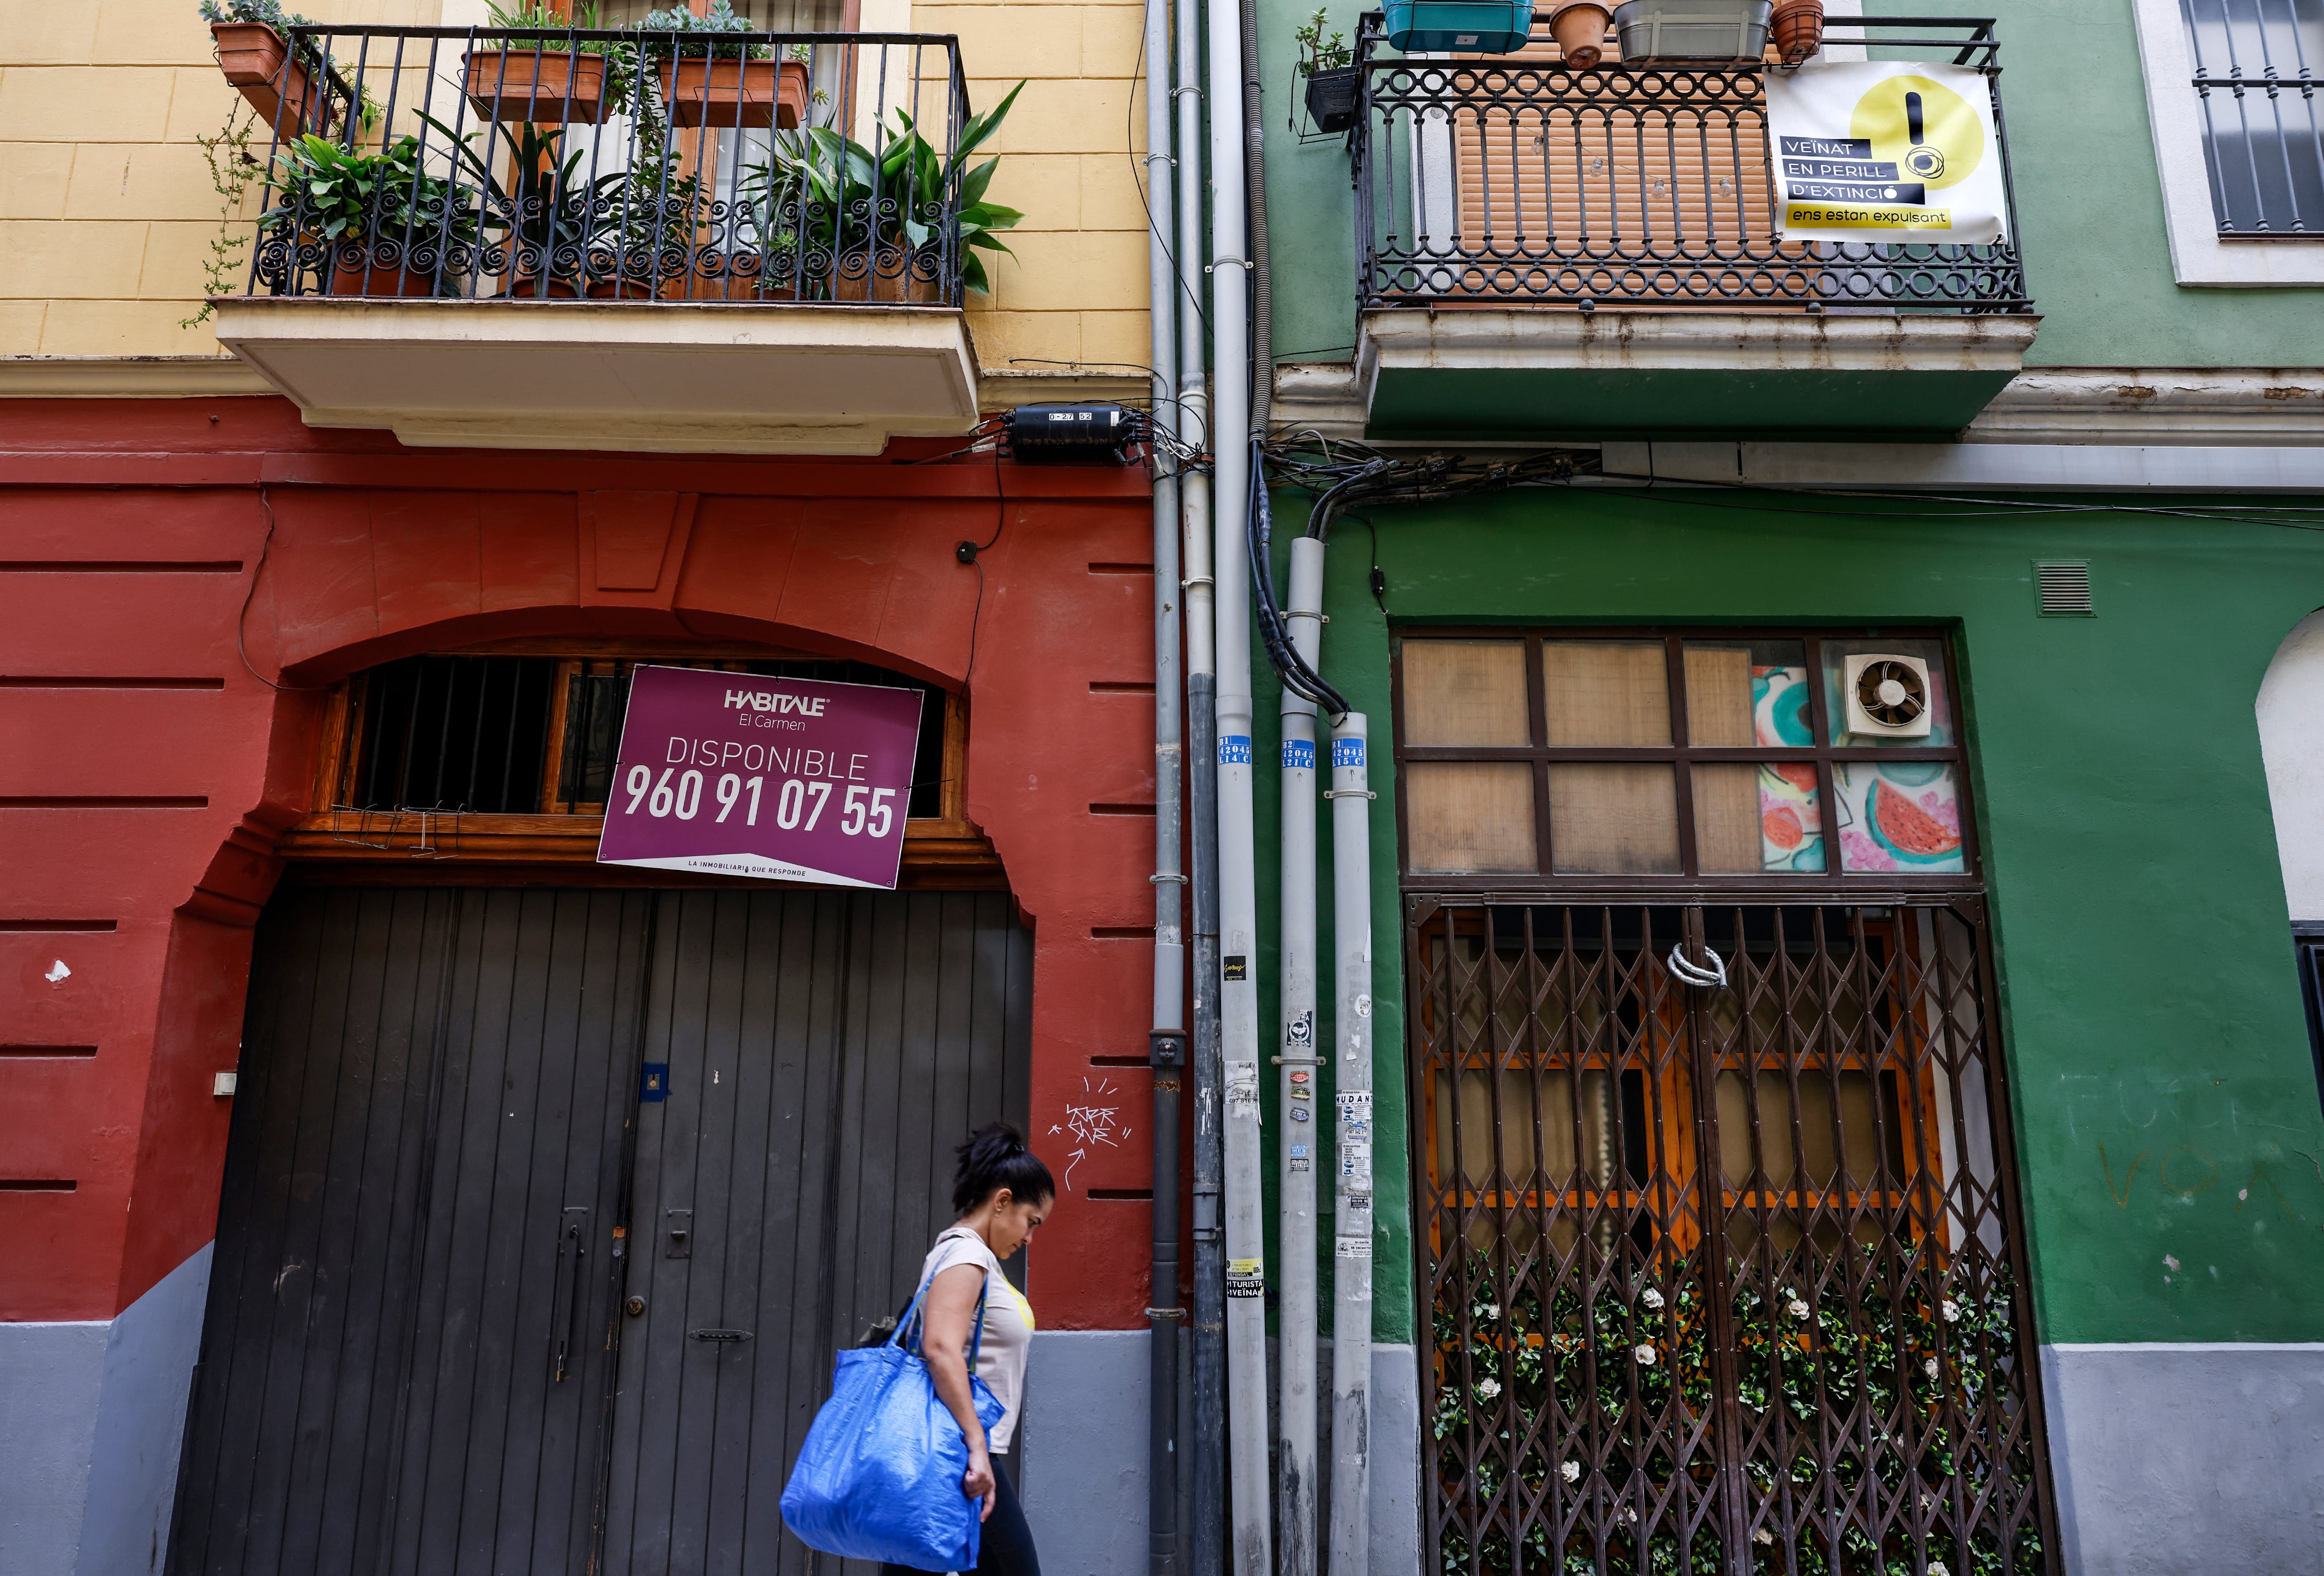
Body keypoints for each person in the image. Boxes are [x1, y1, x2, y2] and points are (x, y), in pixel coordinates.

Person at [887, 1122, 1052, 1576]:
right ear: (1002, 1201)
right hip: (962, 1455)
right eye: (1030, 1221)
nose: (1030, 1237)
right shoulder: (968, 1255)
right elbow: (940, 1347)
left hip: (956, 1453)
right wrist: (978, 1446)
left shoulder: (971, 1256)